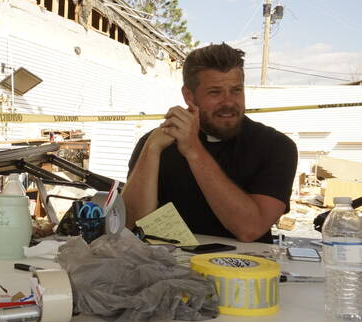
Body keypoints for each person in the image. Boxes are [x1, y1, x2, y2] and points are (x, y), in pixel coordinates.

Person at [122, 43, 297, 243]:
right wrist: (151, 149)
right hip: (168, 268)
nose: (229, 102)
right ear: (189, 96)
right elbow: (129, 223)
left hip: (247, 271)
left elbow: (250, 229)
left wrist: (193, 150)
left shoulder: (276, 147)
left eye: (236, 90)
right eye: (215, 92)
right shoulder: (157, 142)